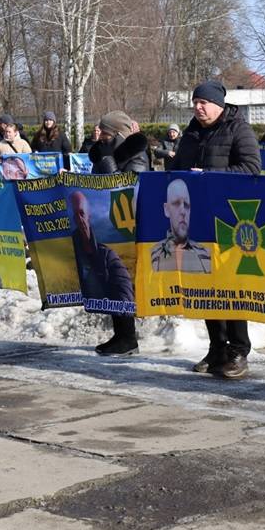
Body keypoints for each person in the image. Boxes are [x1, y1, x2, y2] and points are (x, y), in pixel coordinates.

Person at [171, 79, 260, 379]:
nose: (198, 108)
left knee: (230, 286)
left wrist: (209, 175)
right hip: (197, 221)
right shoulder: (190, 134)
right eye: (195, 102)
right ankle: (217, 348)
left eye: (203, 103)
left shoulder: (238, 129)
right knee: (207, 287)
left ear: (219, 105)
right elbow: (177, 171)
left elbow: (251, 168)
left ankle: (238, 350)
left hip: (230, 222)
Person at [86, 111, 148, 357]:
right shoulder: (106, 153)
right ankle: (121, 335)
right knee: (112, 280)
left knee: (123, 281)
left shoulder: (137, 155)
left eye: (106, 133)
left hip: (130, 228)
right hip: (109, 224)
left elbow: (124, 186)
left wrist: (106, 162)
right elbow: (97, 186)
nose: (101, 137)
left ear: (119, 134)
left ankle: (128, 338)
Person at [71, 190, 137, 356]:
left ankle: (127, 338)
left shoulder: (106, 256)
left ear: (89, 216)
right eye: (75, 215)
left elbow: (124, 294)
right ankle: (119, 335)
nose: (79, 219)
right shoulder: (72, 249)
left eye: (82, 213)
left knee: (118, 292)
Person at [149, 177, 211, 274]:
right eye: (176, 203)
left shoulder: (206, 256)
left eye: (186, 205)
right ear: (166, 210)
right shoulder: (152, 255)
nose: (183, 211)